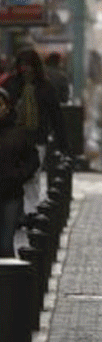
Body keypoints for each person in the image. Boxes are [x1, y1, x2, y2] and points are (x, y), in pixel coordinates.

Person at [3, 48, 69, 215]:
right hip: (12, 140)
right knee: (15, 177)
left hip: (36, 139)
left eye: (29, 66)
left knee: (32, 176)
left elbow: (56, 117)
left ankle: (29, 212)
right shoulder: (10, 85)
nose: (27, 70)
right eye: (23, 66)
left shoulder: (45, 88)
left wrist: (63, 144)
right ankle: (20, 212)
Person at [0, 87, 40, 257]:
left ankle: (8, 280)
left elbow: (33, 159)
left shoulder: (18, 134)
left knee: (6, 244)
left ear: (7, 107)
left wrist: (19, 176)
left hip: (11, 194)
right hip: (11, 190)